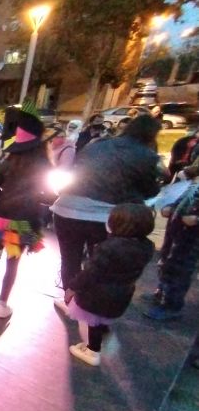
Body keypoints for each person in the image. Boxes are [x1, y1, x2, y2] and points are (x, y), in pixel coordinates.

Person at [51, 115, 161, 309]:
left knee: (70, 259)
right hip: (105, 217)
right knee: (100, 264)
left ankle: (70, 301)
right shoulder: (146, 155)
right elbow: (150, 190)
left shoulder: (97, 144)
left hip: (66, 208)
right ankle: (90, 310)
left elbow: (78, 169)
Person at [65, 204, 155, 366]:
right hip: (123, 292)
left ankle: (93, 351)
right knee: (102, 318)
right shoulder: (147, 246)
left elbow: (91, 273)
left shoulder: (109, 247)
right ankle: (101, 335)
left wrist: (72, 287)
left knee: (92, 321)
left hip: (97, 295)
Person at [0, 105, 52, 318]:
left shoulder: (9, 162)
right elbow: (51, 195)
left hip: (2, 218)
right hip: (24, 221)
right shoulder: (42, 164)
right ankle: (2, 303)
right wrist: (38, 196)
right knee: (12, 262)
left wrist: (2, 199)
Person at [145, 173, 199, 321]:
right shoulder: (194, 182)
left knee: (180, 270)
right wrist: (171, 207)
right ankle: (162, 294)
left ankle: (172, 306)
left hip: (192, 239)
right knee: (167, 263)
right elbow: (183, 198)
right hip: (177, 231)